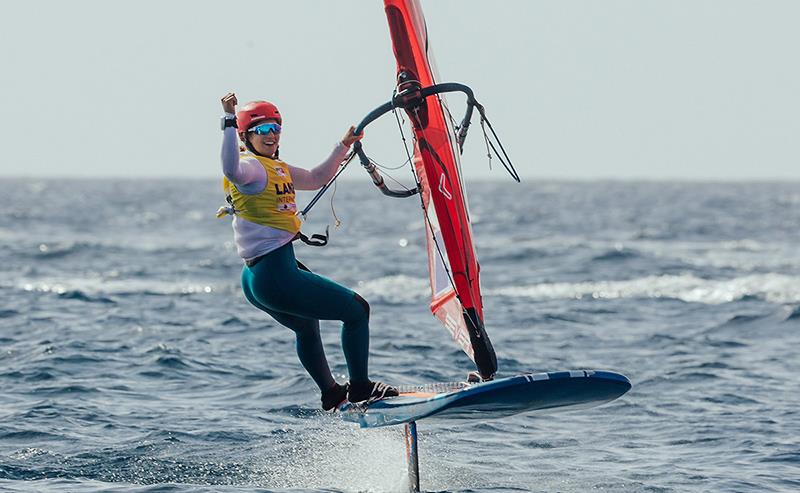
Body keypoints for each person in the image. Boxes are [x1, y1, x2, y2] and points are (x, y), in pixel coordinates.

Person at [218, 92, 398, 411]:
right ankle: (360, 388)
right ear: (246, 137)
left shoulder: (277, 168)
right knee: (357, 311)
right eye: (261, 130)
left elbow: (316, 179)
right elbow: (231, 169)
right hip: (274, 275)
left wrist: (343, 145)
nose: (271, 134)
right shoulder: (249, 168)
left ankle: (331, 392)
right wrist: (229, 121)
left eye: (275, 128)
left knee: (306, 325)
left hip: (261, 275)